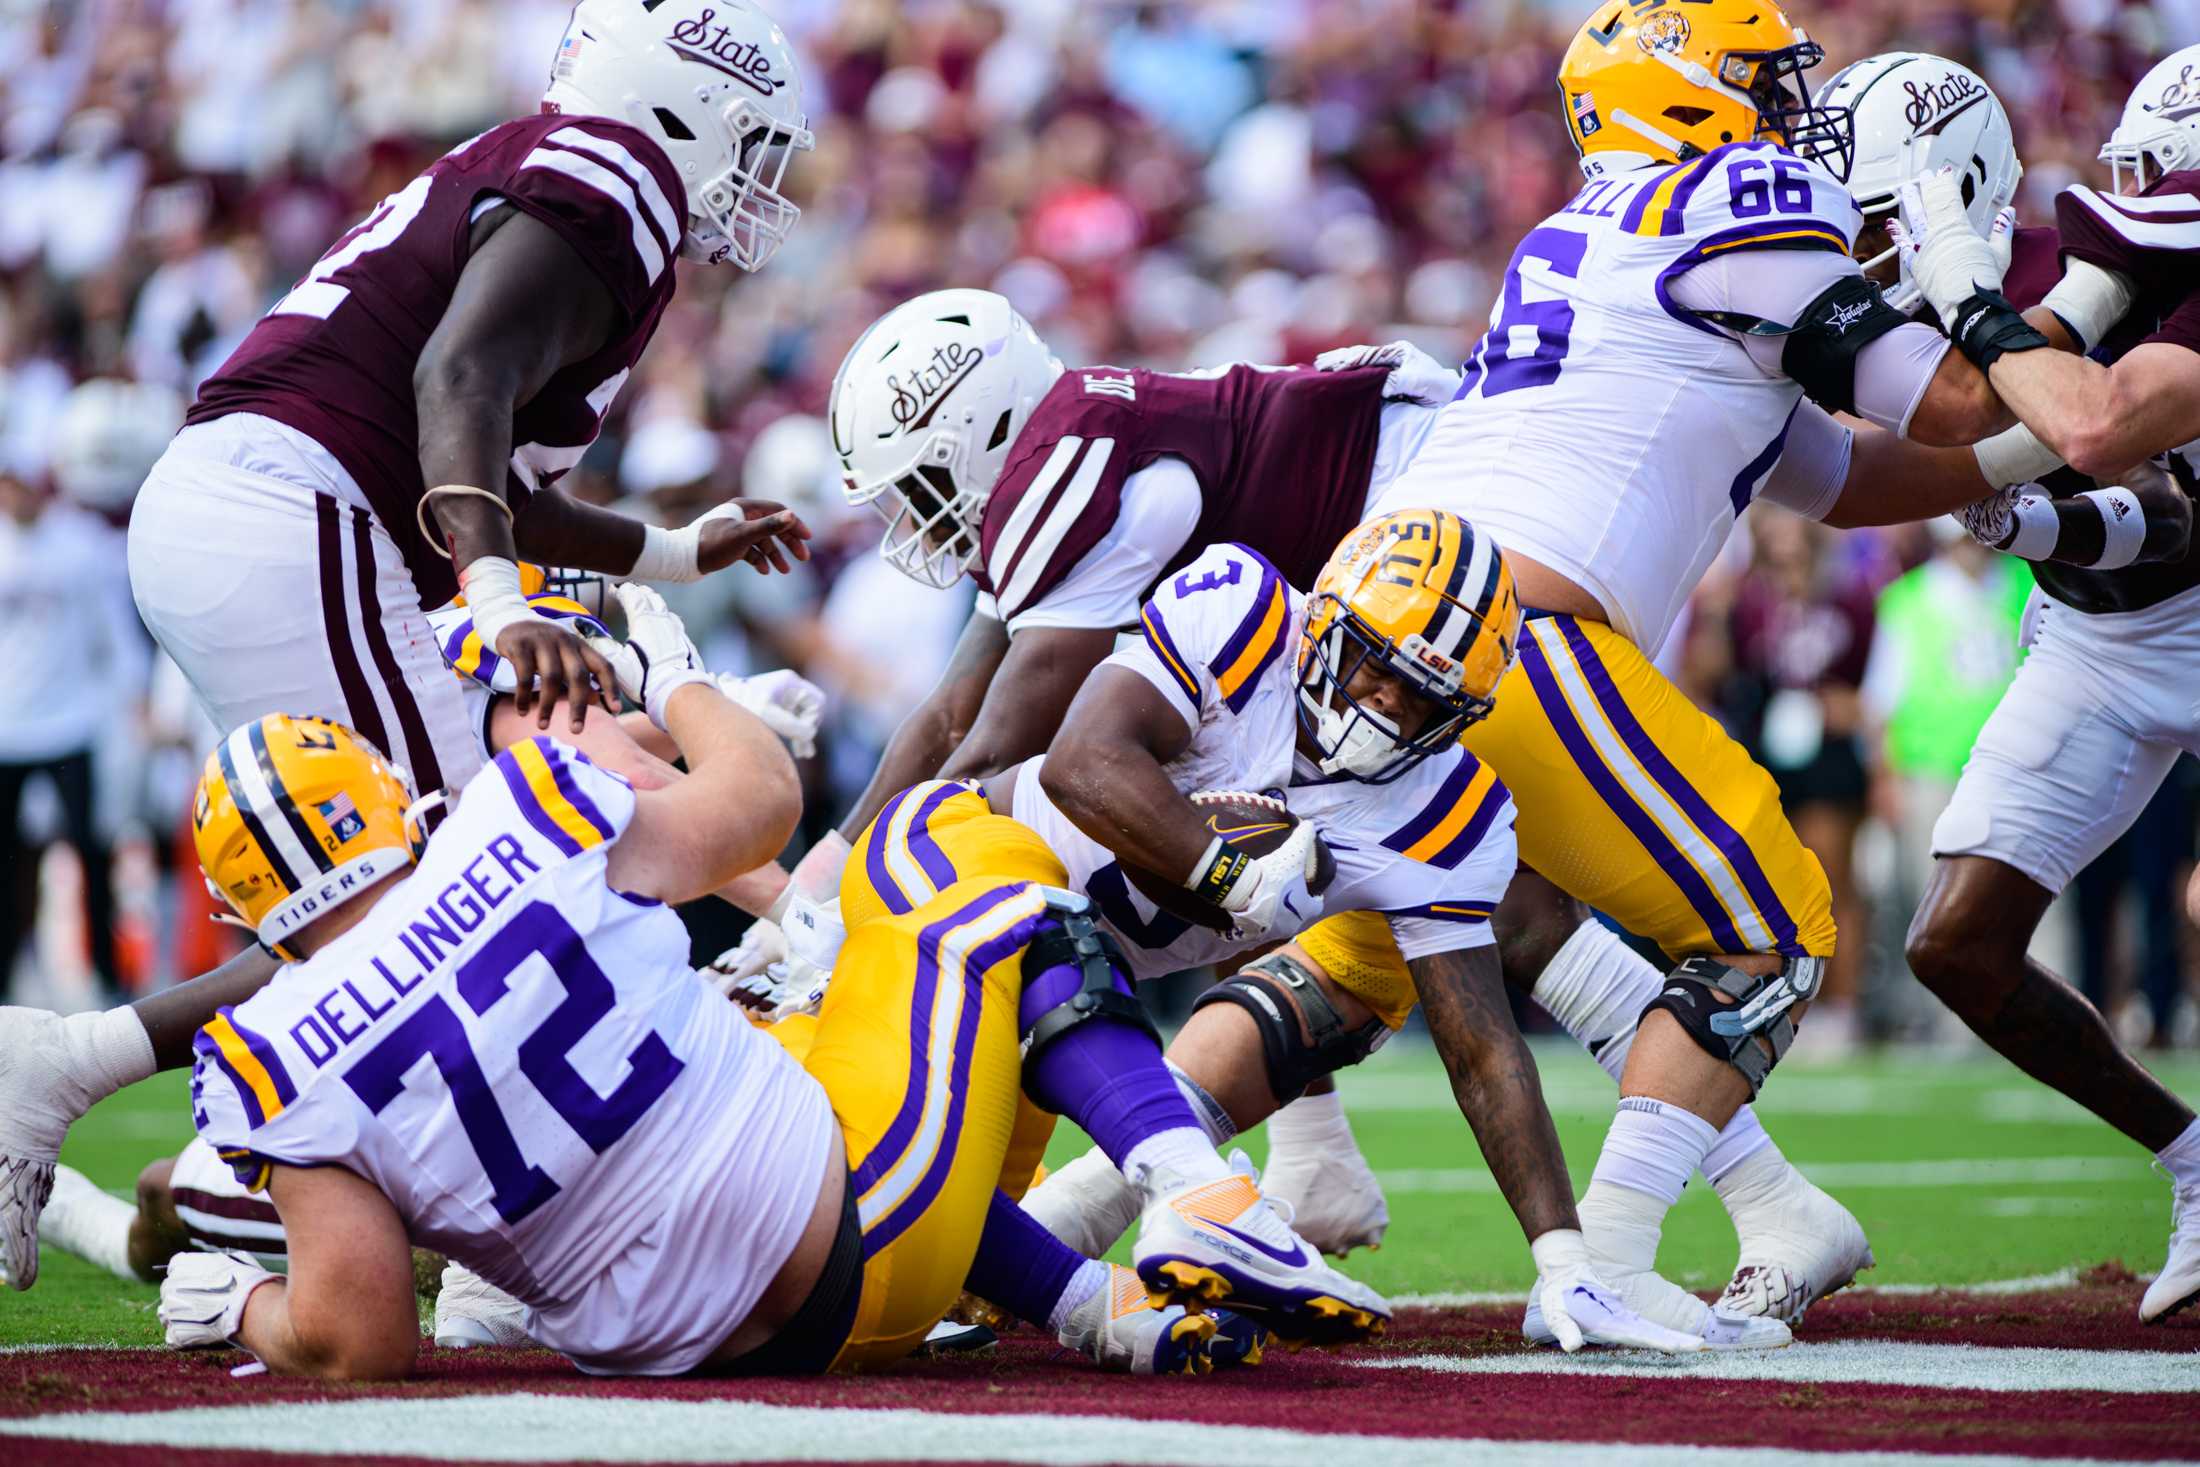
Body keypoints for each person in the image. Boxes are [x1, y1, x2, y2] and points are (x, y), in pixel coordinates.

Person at [0, 0, 817, 1288]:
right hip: (290, 507)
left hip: (270, 512)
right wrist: (498, 604)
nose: (758, 176)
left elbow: (499, 470)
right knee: (465, 890)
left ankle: (135, 1110)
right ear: (680, 99)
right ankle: (228, 1170)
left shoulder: (576, 194)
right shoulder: (613, 174)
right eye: (751, 137)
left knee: (417, 888)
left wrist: (672, 552)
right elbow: (457, 385)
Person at [154, 596, 1382, 1377]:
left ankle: (1091, 1306)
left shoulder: (269, 1057)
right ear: (386, 805)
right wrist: (666, 660)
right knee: (947, 840)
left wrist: (242, 1307)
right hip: (873, 1227)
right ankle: (1202, 1192)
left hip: (707, 1352)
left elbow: (359, 1335)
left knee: (775, 1027)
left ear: (243, 910)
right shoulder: (510, 820)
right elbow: (762, 806)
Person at [1346, 0, 2033, 1342]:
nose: (1793, 108)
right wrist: (1988, 288)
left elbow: (1845, 479)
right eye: (1759, 78)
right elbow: (1953, 400)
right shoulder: (1732, 200)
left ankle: (1096, 1217)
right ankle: (1600, 1261)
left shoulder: (1592, 240)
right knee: (1774, 922)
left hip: (1389, 624)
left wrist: (2036, 451)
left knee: (1356, 962)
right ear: (1684, 96)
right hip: (1510, 631)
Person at [804, 511, 1704, 1354]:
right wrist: (1227, 871)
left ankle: (1108, 1315)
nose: (1387, 705)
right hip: (946, 858)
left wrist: (1562, 1257)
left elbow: (1483, 1051)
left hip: (1052, 1014)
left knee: (922, 1253)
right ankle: (1201, 1193)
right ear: (1327, 622)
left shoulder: (1446, 811)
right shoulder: (1245, 609)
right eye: (1374, 665)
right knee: (1059, 934)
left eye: (1422, 697)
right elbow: (1084, 761)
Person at [721, 286, 1457, 1251]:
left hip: (1443, 529)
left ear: (982, 432)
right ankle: (1310, 1153)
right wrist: (819, 880)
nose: (918, 520)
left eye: (925, 485)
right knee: (1229, 807)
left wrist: (853, 905)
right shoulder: (1070, 458)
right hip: (1361, 582)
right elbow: (945, 715)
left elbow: (997, 744)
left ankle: (1599, 1232)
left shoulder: (1073, 473)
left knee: (1431, 872)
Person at [1884, 43, 2200, 1325]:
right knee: (1955, 944)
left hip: (2163, 594)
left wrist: (1969, 303)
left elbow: (2102, 441)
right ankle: (2191, 1160)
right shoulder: (2108, 267)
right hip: (2103, 643)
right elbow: (1948, 420)